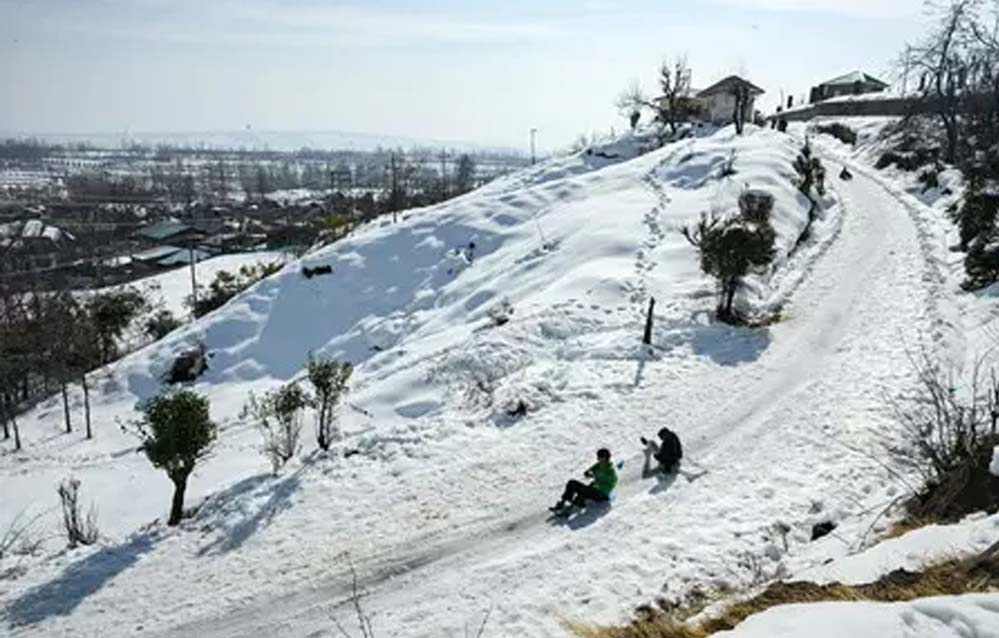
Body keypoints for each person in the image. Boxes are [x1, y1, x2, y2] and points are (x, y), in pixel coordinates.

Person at [550, 448, 618, 512]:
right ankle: (563, 502)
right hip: (594, 489)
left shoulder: (610, 471)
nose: (597, 459)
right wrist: (587, 473)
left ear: (605, 458)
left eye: (599, 457)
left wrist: (598, 485)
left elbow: (612, 484)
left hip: (602, 494)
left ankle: (573, 507)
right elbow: (591, 470)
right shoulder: (599, 465)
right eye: (598, 457)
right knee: (572, 483)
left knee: (584, 490)